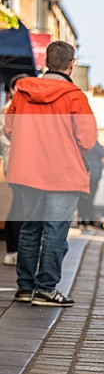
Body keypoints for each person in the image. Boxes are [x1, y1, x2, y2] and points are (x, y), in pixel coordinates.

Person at [3, 41, 97, 307]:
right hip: (63, 174)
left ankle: (24, 288)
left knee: (30, 228)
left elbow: (9, 129)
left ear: (46, 62)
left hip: (28, 172)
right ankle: (46, 289)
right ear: (71, 64)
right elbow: (87, 139)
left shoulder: (23, 92)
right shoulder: (75, 96)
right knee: (55, 230)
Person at [2, 74, 25, 266]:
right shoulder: (6, 112)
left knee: (19, 206)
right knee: (20, 206)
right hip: (17, 164)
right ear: (11, 91)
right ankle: (14, 249)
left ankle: (14, 250)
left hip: (21, 164)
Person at [78, 141, 104, 227]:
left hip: (83, 174)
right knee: (90, 199)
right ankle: (89, 220)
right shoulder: (93, 142)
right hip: (94, 176)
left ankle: (82, 219)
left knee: (82, 198)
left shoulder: (81, 141)